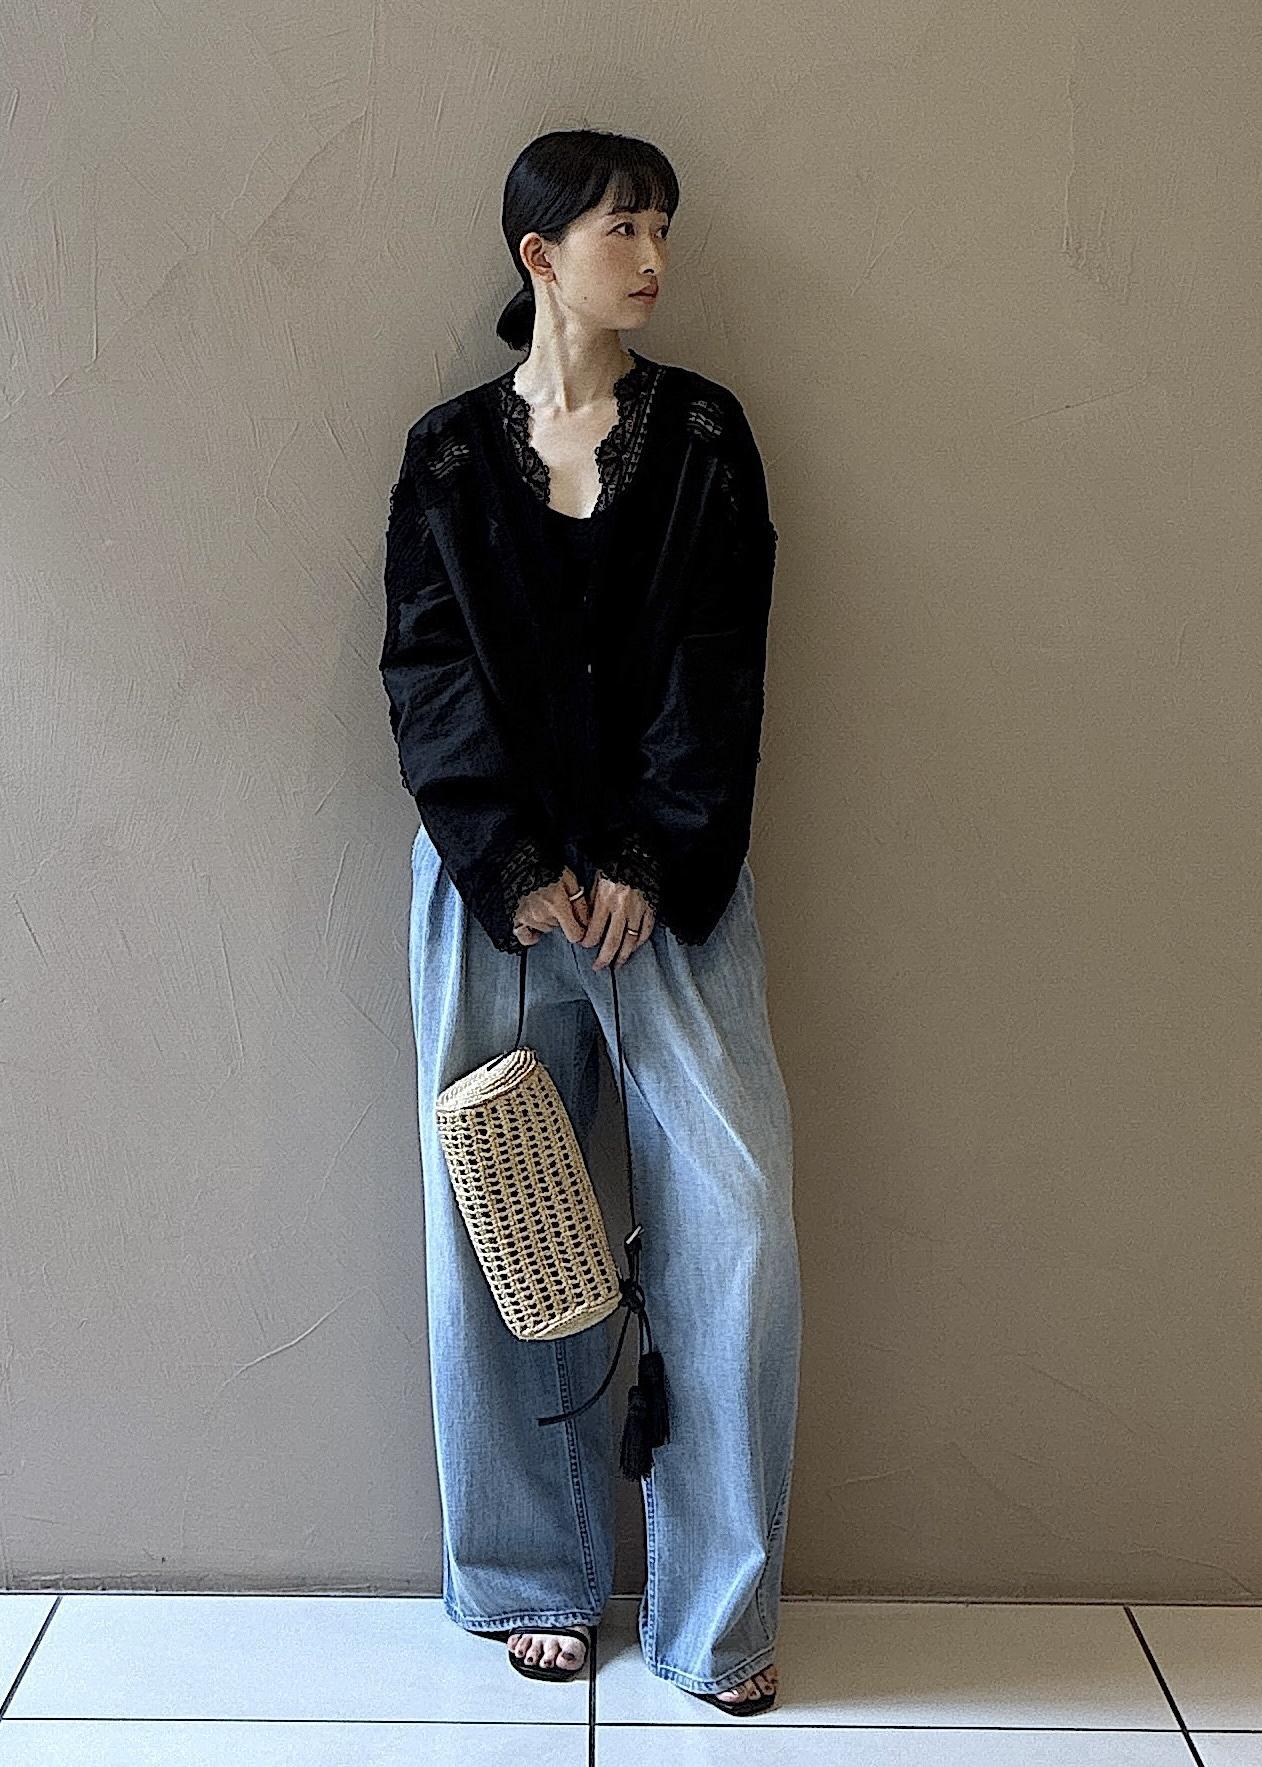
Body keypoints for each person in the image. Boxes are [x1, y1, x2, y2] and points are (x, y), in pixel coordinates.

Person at [380, 127, 802, 1716]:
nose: (654, 257)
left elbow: (722, 654)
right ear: (539, 254)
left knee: (734, 1229)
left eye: (663, 227)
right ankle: (525, 1575)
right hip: (492, 896)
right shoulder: (444, 456)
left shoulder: (701, 436)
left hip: (670, 894)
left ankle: (717, 1618)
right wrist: (509, 866)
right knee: (494, 1227)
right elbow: (424, 673)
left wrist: (644, 852)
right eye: (624, 227)